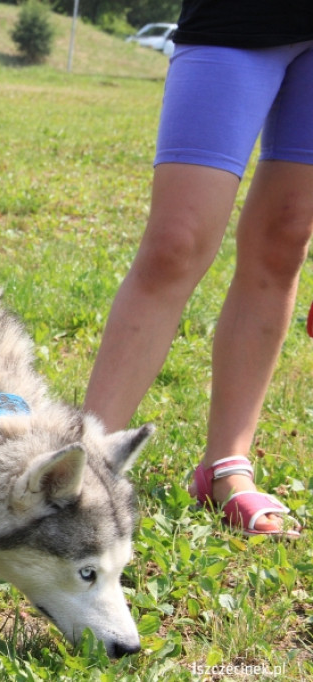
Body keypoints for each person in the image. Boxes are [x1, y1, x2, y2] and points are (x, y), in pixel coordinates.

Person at [83, 0, 313, 538]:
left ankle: (226, 463)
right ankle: (86, 462)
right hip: (232, 21)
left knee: (285, 239)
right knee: (175, 244)